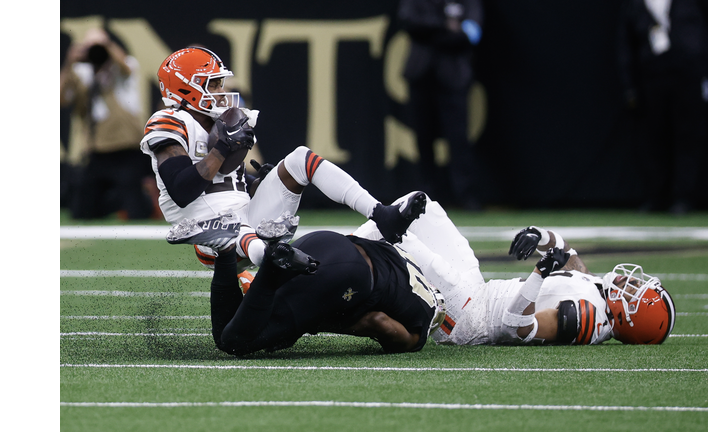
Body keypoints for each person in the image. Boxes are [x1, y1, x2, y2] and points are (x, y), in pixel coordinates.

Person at [140, 46, 429, 282]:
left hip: (244, 214)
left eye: (219, 83)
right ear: (186, 88)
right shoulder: (169, 122)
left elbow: (227, 182)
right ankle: (276, 268)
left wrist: (256, 185)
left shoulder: (223, 121)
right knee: (237, 229)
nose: (220, 90)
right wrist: (221, 149)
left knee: (300, 158)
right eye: (212, 84)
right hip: (205, 230)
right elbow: (181, 189)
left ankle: (381, 214)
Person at [353, 192, 677, 346]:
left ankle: (320, 258)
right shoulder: (597, 293)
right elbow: (567, 255)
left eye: (636, 292)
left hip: (466, 319)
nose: (632, 283)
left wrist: (539, 273)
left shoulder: (588, 319)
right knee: (424, 208)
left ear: (630, 317)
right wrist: (542, 235)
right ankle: (336, 248)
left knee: (399, 237)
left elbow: (517, 326)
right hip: (476, 292)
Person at [203, 215, 446, 356]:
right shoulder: (419, 329)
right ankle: (262, 257)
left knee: (241, 322)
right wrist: (316, 322)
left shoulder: (406, 262)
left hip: (326, 243)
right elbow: (377, 321)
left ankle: (227, 247)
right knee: (236, 343)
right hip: (345, 276)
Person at [616, 0, 708, 215]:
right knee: (653, 140)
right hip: (651, 78)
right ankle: (655, 196)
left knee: (687, 138)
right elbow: (624, 44)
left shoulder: (691, 4)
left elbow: (705, 37)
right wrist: (629, 86)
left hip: (687, 77)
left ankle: (683, 198)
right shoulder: (635, 5)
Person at [60, 27, 156, 220]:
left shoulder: (124, 66)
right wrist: (70, 62)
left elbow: (125, 68)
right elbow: (62, 99)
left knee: (136, 209)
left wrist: (105, 47)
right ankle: (108, 206)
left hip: (126, 149)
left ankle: (141, 203)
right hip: (97, 150)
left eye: (100, 44)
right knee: (81, 212)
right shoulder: (81, 72)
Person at [397, 0, 485, 210]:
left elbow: (472, 33)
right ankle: (424, 198)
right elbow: (409, 23)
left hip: (454, 78)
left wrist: (434, 32)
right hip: (421, 76)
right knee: (423, 139)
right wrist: (446, 26)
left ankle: (465, 196)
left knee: (458, 139)